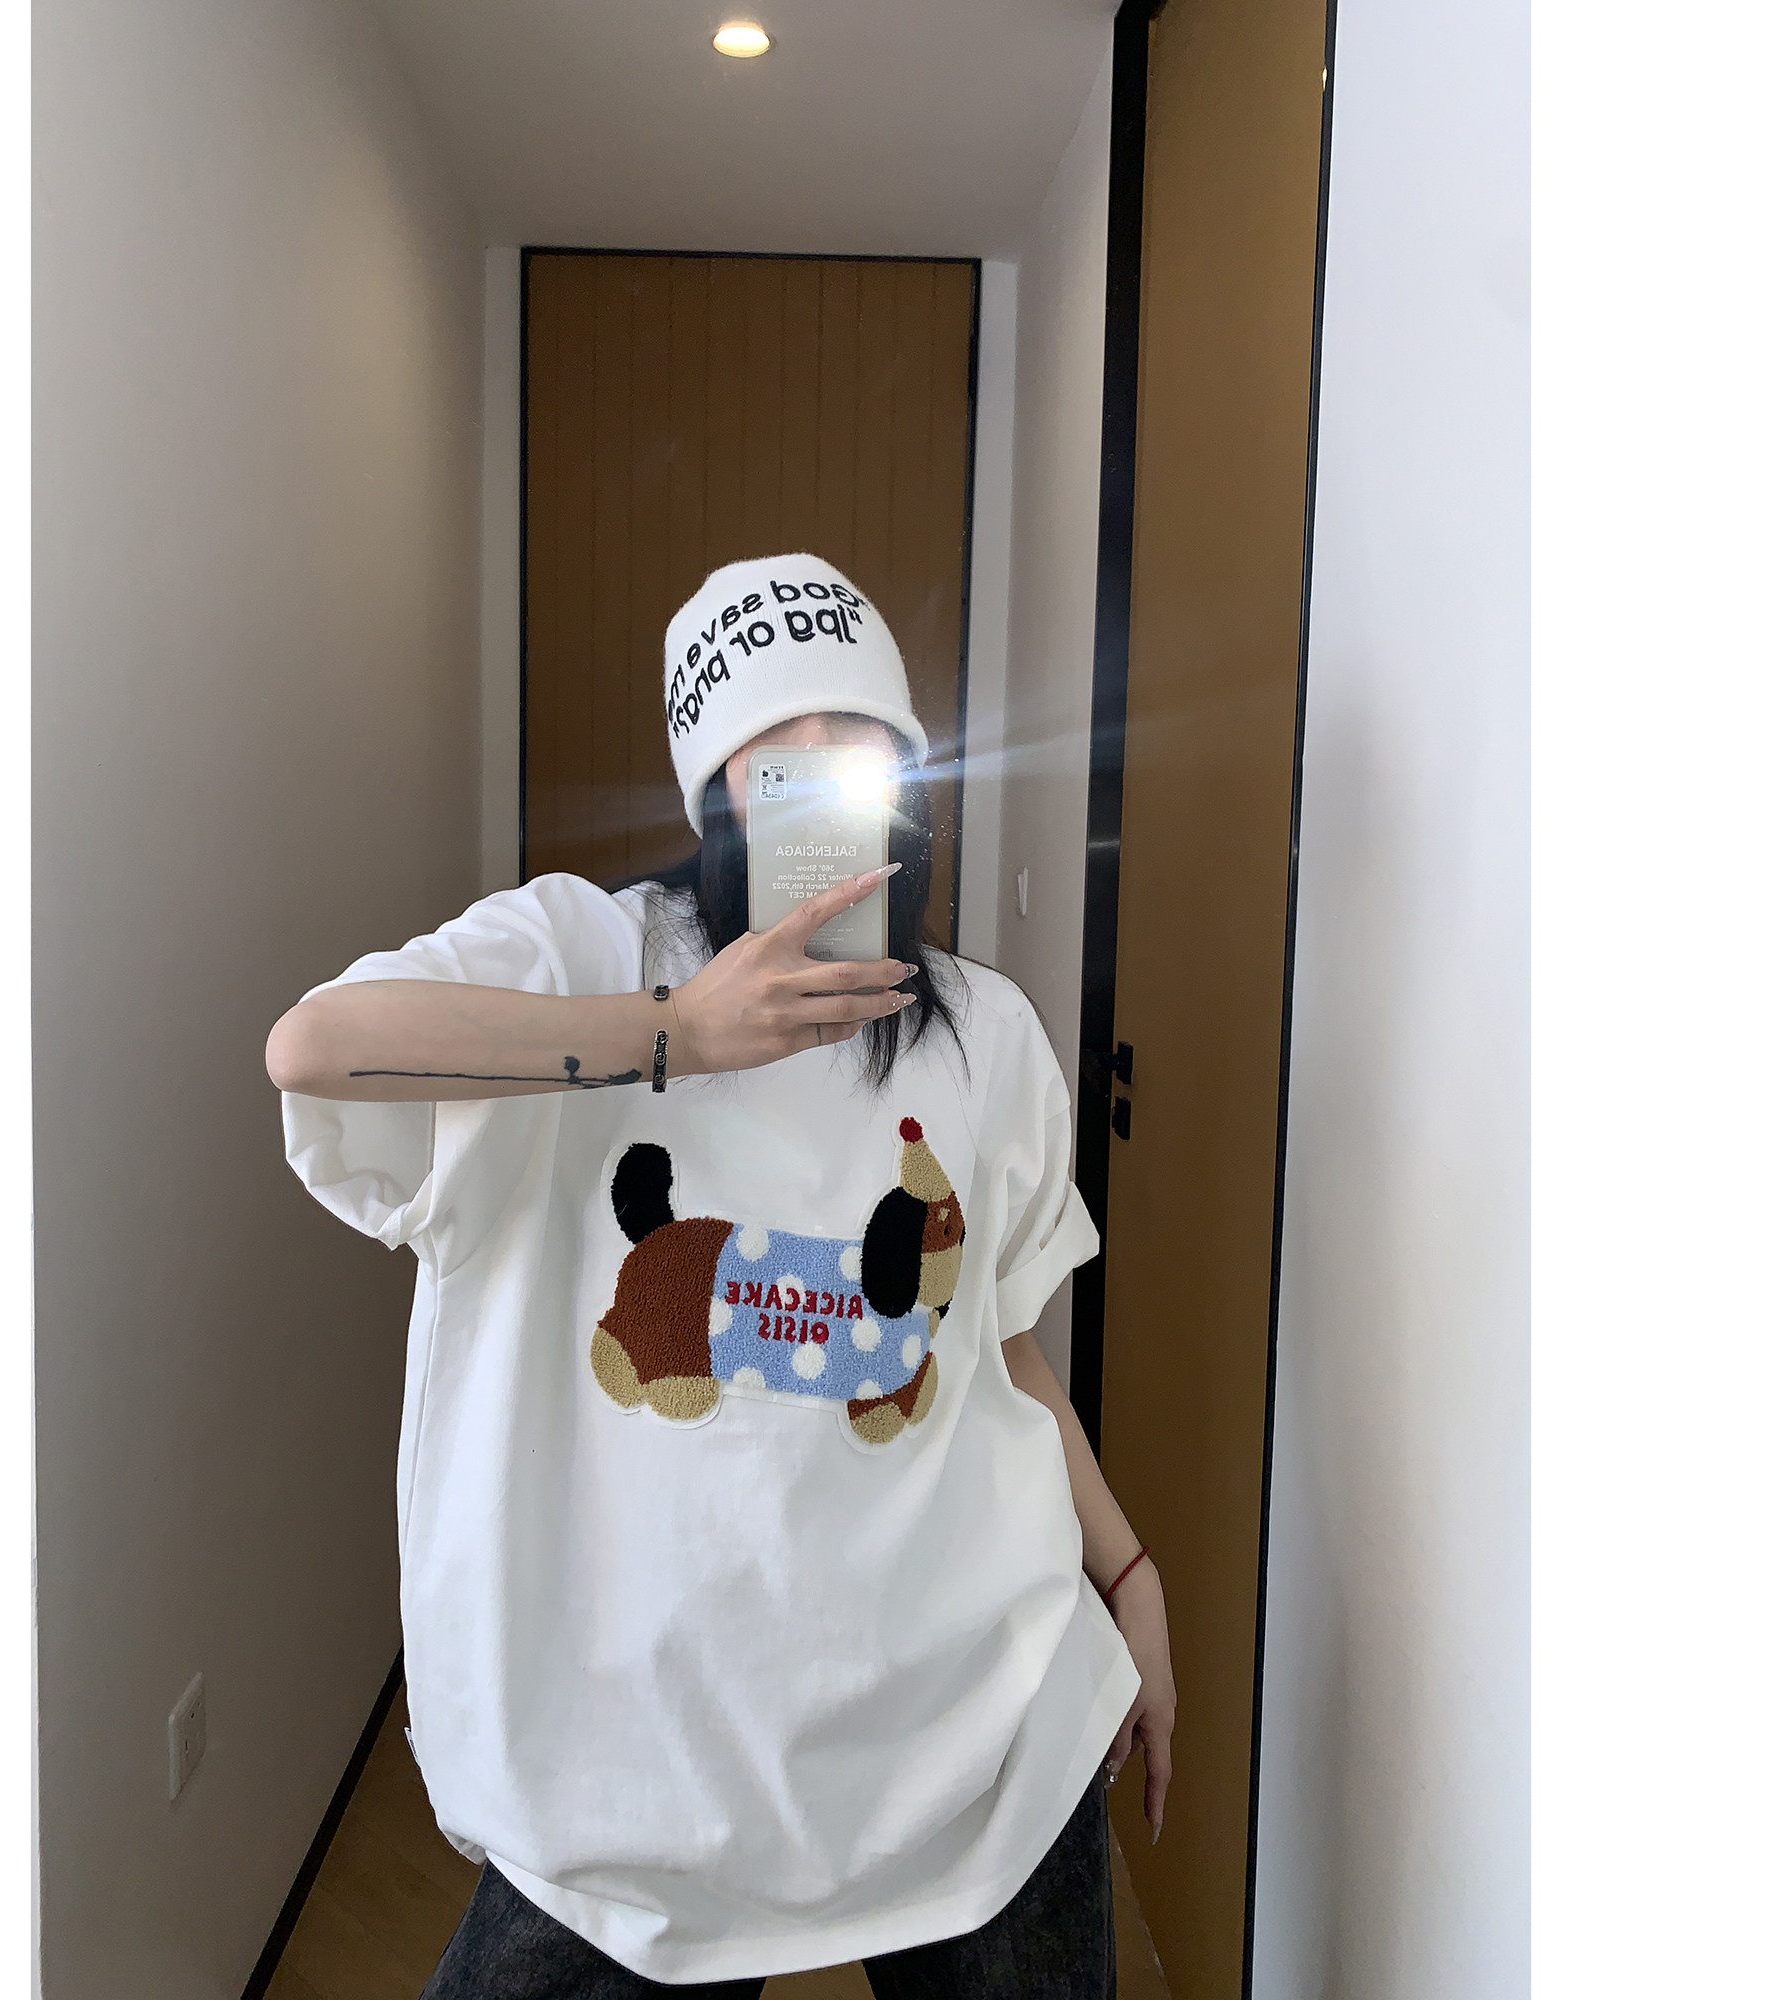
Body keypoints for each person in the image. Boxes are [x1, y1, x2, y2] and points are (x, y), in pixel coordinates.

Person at [267, 554, 1175, 1998]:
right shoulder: (584, 950)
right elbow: (314, 1048)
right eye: (774, 754)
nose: (821, 780)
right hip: (635, 1787)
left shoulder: (985, 1032)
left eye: (856, 741)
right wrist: (676, 1033)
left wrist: (1125, 1571)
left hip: (980, 1737)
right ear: (715, 796)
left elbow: (995, 1344)